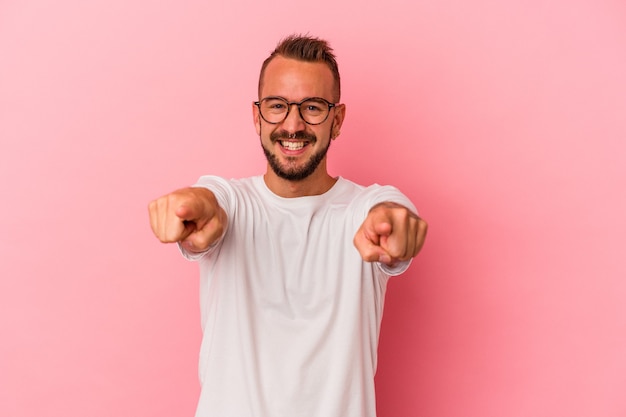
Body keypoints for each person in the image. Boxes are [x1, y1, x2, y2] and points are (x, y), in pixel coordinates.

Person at [148, 34, 428, 417]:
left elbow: (392, 215)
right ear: (256, 116)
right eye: (277, 106)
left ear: (338, 119)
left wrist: (395, 226)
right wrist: (189, 208)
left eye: (312, 107)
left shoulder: (364, 209)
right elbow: (206, 202)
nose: (292, 125)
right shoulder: (231, 202)